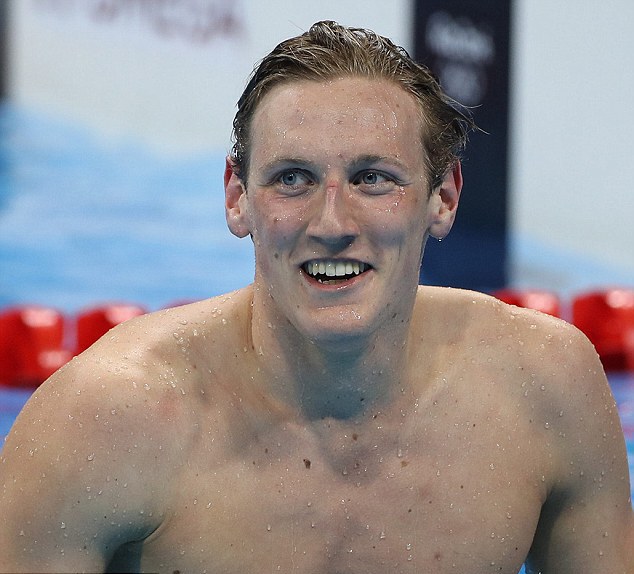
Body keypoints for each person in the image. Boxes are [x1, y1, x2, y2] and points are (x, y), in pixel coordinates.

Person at [1, 20, 632, 574]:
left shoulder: (544, 388)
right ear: (236, 196)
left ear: (443, 197)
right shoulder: (106, 421)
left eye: (372, 179)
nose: (332, 222)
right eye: (292, 178)